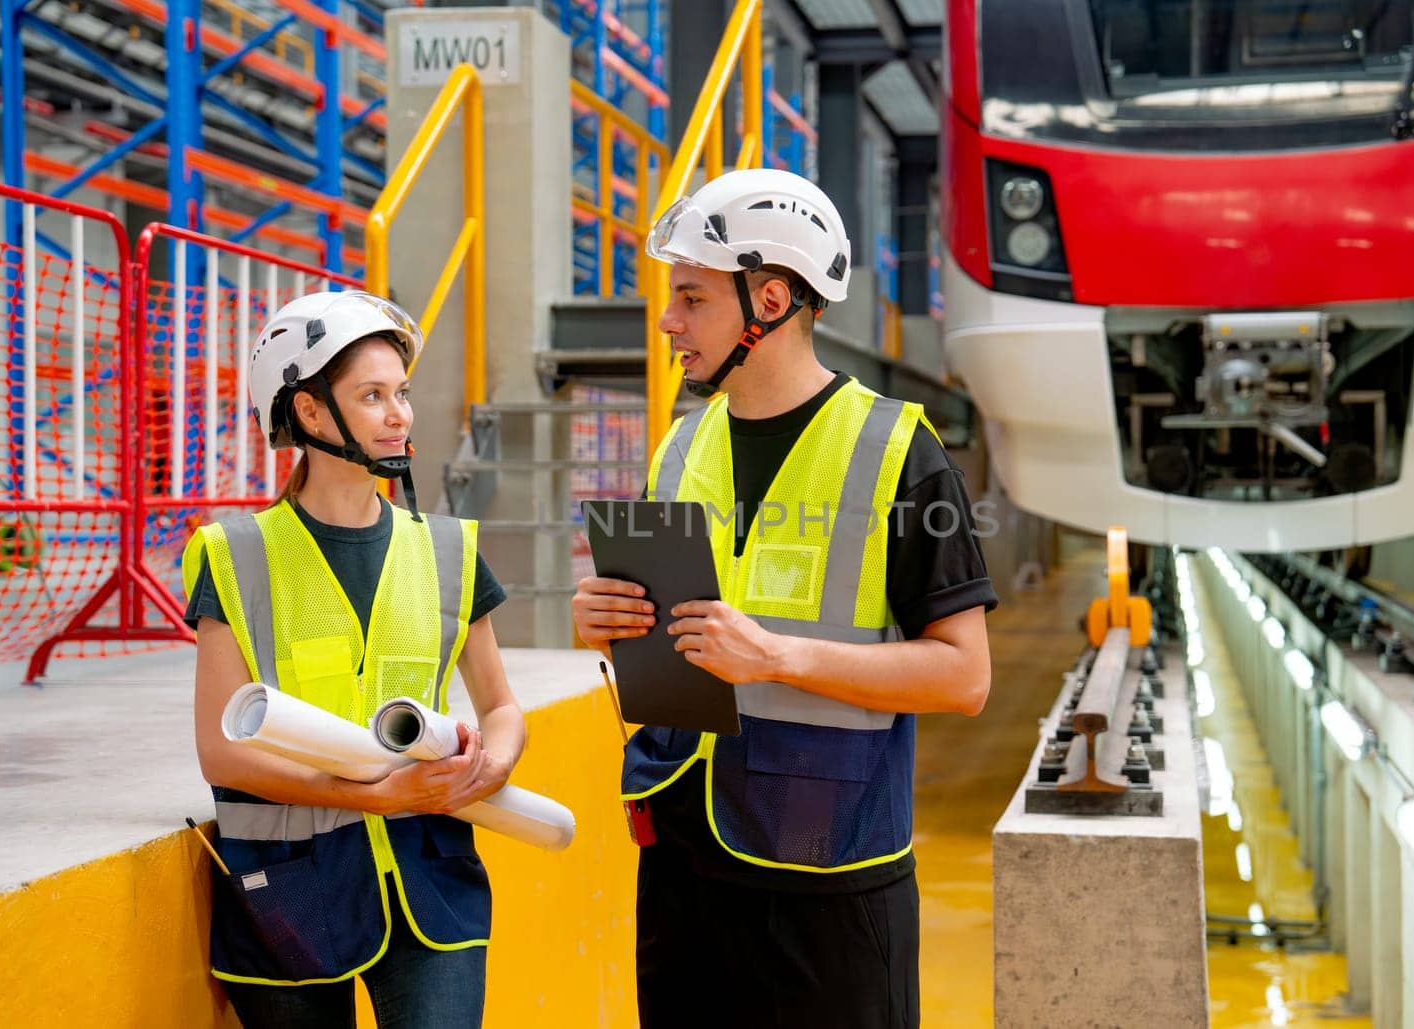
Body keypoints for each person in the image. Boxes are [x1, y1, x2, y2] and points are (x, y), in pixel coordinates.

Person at [572, 169, 998, 1028]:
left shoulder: (899, 454)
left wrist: (778, 656)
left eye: (692, 297)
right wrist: (604, 628)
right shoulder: (679, 448)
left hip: (830, 880)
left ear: (767, 300)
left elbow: (965, 678)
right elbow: (671, 650)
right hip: (687, 874)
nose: (668, 322)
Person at [185, 289, 524, 1029]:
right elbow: (220, 748)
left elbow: (500, 706)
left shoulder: (448, 550)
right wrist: (366, 796)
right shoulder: (236, 556)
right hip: (290, 898)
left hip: (429, 881)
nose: (400, 413)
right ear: (309, 411)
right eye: (373, 395)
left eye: (400, 393)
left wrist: (494, 761)